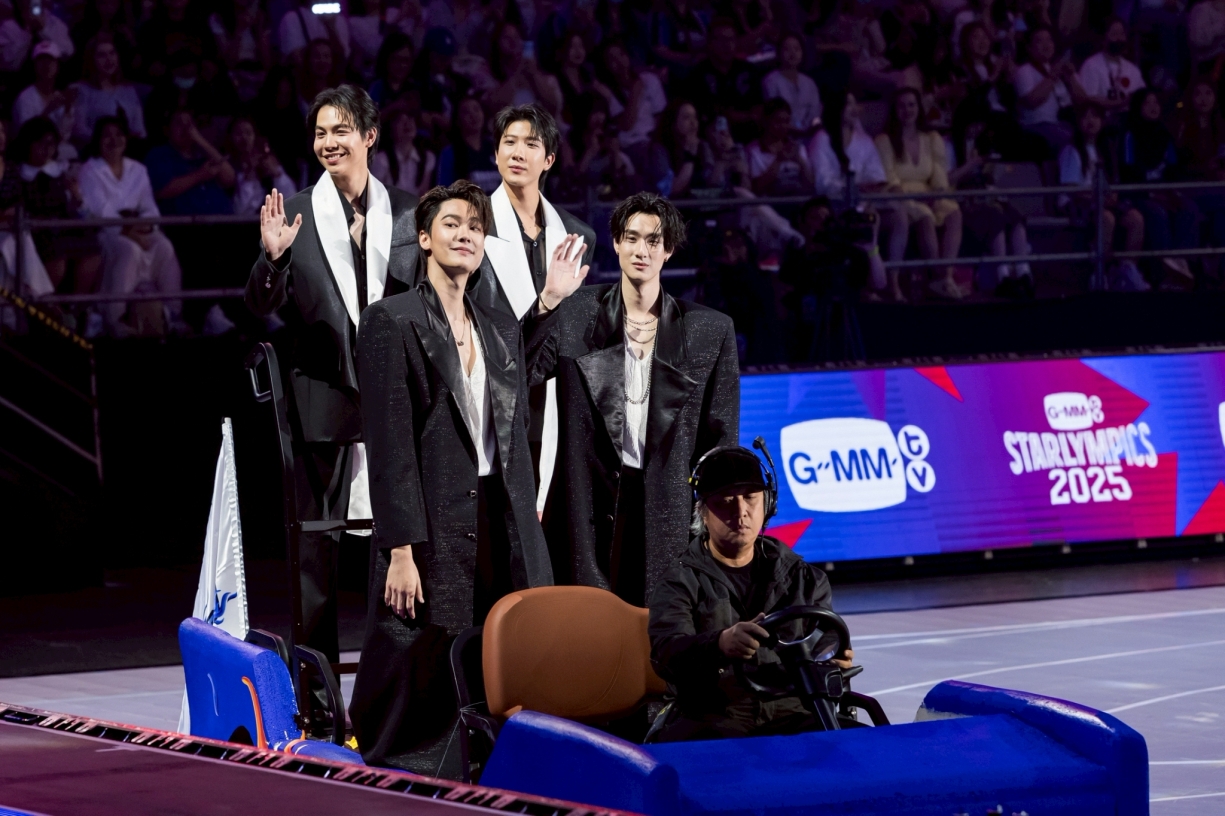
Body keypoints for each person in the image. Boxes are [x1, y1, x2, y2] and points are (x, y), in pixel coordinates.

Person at [349, 180, 553, 776]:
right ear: (423, 238)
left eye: (475, 226)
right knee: (422, 650)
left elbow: (513, 433)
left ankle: (485, 764)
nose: (465, 234)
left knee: (495, 647)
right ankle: (409, 771)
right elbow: (388, 445)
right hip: (429, 519)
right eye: (452, 224)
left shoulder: (496, 324)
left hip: (495, 511)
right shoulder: (391, 320)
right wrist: (401, 549)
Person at [245, 85, 421, 702]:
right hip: (323, 406)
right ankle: (317, 702)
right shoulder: (294, 212)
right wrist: (273, 260)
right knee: (315, 561)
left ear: (370, 136)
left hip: (398, 405)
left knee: (402, 553)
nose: (329, 143)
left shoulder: (409, 213)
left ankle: (392, 697)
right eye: (320, 133)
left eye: (341, 130)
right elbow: (258, 304)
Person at [524, 192, 740, 606]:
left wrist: (712, 523)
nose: (642, 250)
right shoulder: (576, 312)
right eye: (632, 238)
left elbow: (721, 440)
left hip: (667, 513)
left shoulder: (708, 331)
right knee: (590, 629)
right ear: (616, 243)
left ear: (668, 250)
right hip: (587, 508)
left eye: (653, 241)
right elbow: (520, 371)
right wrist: (548, 300)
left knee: (661, 628)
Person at [648, 444, 853, 742]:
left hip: (793, 710)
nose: (741, 511)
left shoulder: (802, 577)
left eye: (750, 498)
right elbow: (666, 655)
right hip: (715, 712)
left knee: (860, 746)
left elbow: (826, 642)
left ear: (768, 504)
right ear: (703, 511)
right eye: (726, 501)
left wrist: (834, 660)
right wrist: (719, 644)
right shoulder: (680, 580)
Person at [466, 104, 596, 510]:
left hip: (554, 401)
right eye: (509, 143)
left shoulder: (577, 235)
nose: (518, 153)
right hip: (490, 394)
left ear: (549, 160)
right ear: (495, 154)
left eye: (530, 144)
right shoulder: (470, 229)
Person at [79, 116, 186, 336]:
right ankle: (115, 317)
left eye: (118, 134)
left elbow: (149, 207)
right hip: (107, 231)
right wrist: (127, 231)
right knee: (129, 250)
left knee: (164, 247)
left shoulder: (137, 169)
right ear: (98, 140)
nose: (113, 140)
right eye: (107, 135)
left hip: (140, 228)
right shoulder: (89, 169)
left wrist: (145, 228)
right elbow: (100, 209)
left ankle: (173, 314)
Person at [875, 87, 964, 300]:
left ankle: (947, 277)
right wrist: (917, 198)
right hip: (901, 195)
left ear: (918, 108)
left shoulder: (931, 138)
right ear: (895, 110)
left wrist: (937, 194)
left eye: (911, 105)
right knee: (924, 215)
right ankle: (936, 277)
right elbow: (890, 179)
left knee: (953, 212)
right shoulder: (885, 140)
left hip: (928, 192)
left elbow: (939, 176)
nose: (907, 110)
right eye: (902, 106)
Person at [1058, 102, 1147, 291]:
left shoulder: (1105, 150)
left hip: (1101, 201)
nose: (1090, 121)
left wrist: (1112, 196)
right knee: (1107, 218)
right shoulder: (1071, 151)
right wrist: (1099, 199)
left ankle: (1128, 270)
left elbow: (1112, 183)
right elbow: (1072, 190)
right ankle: (1099, 272)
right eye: (1085, 116)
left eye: (1095, 116)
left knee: (1135, 218)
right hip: (1077, 203)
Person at [13, 117, 102, 297]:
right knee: (56, 254)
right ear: (28, 143)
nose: (46, 149)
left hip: (62, 226)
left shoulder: (61, 172)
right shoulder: (17, 174)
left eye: (51, 144)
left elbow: (74, 208)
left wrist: (76, 197)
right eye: (41, 143)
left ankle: (76, 306)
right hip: (36, 231)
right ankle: (43, 303)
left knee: (93, 248)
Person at [1119, 89, 1199, 287]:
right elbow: (1129, 173)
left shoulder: (1164, 134)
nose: (1153, 107)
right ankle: (1163, 273)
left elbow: (1173, 168)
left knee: (1189, 208)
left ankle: (1181, 264)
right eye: (1147, 103)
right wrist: (1152, 193)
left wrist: (1170, 192)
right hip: (1138, 192)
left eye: (1156, 102)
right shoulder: (1130, 135)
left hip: (1163, 190)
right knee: (1157, 213)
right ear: (1138, 107)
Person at [685, 18, 762, 144]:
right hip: (712, 140)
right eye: (721, 40)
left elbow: (759, 106)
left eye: (731, 39)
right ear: (710, 43)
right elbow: (705, 112)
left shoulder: (748, 70)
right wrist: (734, 115)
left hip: (750, 138)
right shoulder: (698, 75)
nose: (727, 45)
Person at [1013, 26, 1084, 156]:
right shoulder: (1024, 70)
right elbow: (1032, 101)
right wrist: (1053, 75)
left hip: (1060, 123)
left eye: (1049, 40)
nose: (1046, 45)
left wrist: (1071, 77)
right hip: (1035, 126)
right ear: (1029, 48)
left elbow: (1081, 100)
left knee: (1087, 134)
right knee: (1069, 140)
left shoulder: (1058, 68)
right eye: (1040, 41)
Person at [71, 32, 146, 147]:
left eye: (112, 53)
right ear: (92, 59)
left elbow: (140, 129)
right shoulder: (82, 90)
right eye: (102, 55)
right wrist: (108, 141)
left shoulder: (128, 90)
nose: (109, 59)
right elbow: (79, 130)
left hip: (130, 149)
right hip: (95, 149)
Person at [13, 41, 77, 163]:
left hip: (58, 152)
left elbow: (64, 136)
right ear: (34, 65)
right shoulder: (25, 98)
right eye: (41, 60)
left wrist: (68, 108)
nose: (46, 65)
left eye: (50, 60)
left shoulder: (60, 96)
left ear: (57, 65)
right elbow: (27, 137)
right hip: (31, 155)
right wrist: (48, 110)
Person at [226, 115, 296, 215]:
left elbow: (291, 199)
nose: (244, 138)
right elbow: (239, 211)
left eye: (248, 133)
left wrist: (276, 174)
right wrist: (249, 177)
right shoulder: (228, 166)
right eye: (238, 133)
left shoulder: (267, 160)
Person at [1077, 18, 1144, 120]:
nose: (1119, 38)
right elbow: (1088, 100)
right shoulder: (1091, 65)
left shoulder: (1132, 69)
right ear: (1104, 38)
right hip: (1101, 121)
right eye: (1114, 34)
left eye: (1122, 34)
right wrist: (1121, 102)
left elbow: (1142, 97)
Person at [748, 98, 815, 197]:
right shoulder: (754, 151)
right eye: (778, 121)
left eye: (786, 121)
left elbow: (810, 186)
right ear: (766, 121)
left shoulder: (797, 147)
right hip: (769, 204)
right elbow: (757, 189)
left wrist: (800, 161)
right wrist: (778, 160)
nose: (783, 126)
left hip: (798, 202)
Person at [762, 33, 822, 135]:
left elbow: (816, 113)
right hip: (781, 134)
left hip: (809, 134)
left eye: (796, 49)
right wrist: (795, 130)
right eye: (787, 49)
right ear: (779, 53)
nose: (792, 53)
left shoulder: (809, 83)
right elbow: (773, 115)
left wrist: (811, 128)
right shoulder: (771, 81)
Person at [435, 94, 498, 190]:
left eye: (476, 109)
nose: (473, 115)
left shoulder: (496, 147)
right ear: (457, 120)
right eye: (466, 112)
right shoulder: (450, 153)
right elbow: (443, 190)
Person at [371, 105, 436, 196]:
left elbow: (423, 194)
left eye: (410, 119)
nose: (407, 124)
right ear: (391, 128)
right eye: (400, 120)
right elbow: (376, 195)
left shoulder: (427, 157)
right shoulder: (381, 159)